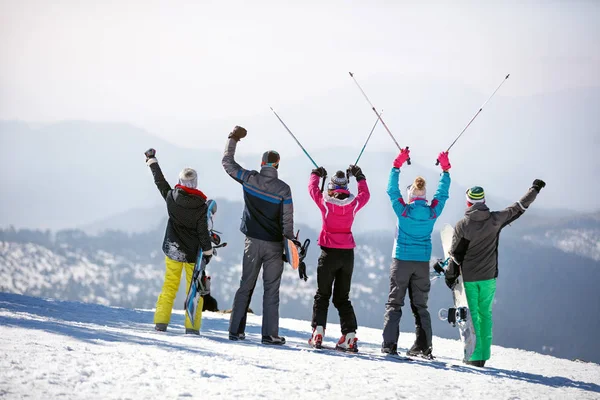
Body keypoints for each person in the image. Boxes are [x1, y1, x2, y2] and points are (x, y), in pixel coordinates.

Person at [445, 179, 546, 367]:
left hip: (468, 279)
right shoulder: (495, 219)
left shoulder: (462, 226)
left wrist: (450, 276)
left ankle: (473, 356)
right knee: (485, 315)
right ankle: (483, 355)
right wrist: (535, 189)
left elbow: (456, 255)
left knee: (472, 316)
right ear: (483, 201)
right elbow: (519, 207)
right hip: (489, 277)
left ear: (468, 203)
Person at [222, 125, 295, 345]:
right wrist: (288, 247)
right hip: (274, 246)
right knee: (271, 291)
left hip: (251, 243)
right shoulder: (284, 190)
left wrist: (232, 138)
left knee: (246, 285)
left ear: (262, 164)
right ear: (278, 165)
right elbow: (287, 222)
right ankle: (270, 335)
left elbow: (227, 163)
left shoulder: (249, 179)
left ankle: (235, 331)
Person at [381, 149, 451, 358]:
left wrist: (396, 166)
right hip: (421, 263)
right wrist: (445, 171)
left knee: (395, 302)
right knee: (420, 305)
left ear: (411, 195)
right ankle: (424, 346)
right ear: (425, 196)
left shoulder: (403, 212)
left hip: (401, 260)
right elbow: (443, 195)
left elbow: (391, 191)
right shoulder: (431, 212)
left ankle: (389, 344)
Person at [144, 148, 213, 335]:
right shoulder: (201, 207)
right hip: (193, 254)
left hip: (173, 249)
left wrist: (152, 160)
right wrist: (207, 252)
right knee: (194, 291)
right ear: (195, 182)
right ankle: (192, 327)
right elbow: (203, 233)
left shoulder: (171, 198)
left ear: (180, 181)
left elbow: (160, 182)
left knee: (169, 286)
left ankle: (160, 322)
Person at [307, 166, 370, 352]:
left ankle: (318, 332)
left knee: (322, 295)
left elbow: (312, 190)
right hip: (347, 255)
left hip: (328, 253)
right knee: (342, 297)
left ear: (332, 186)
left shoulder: (325, 202)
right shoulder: (353, 204)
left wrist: (316, 175)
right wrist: (360, 176)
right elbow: (365, 194)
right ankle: (349, 336)